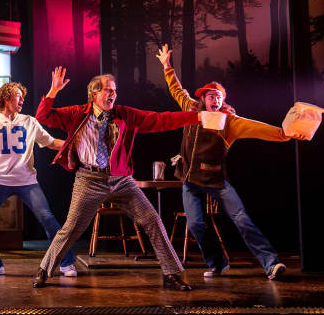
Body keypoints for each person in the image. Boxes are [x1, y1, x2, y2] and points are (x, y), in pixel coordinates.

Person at [31, 67, 202, 291]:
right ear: (94, 93)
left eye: (115, 91)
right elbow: (43, 116)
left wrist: (196, 117)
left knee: (153, 220)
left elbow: (159, 119)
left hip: (121, 180)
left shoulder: (125, 115)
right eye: (108, 90)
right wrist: (53, 91)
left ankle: (172, 274)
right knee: (71, 228)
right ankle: (44, 269)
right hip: (88, 179)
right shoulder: (77, 113)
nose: (113, 94)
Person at [156, 44, 306, 280]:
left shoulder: (230, 122)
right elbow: (177, 90)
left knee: (241, 219)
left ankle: (271, 264)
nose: (214, 100)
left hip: (216, 180)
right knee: (195, 225)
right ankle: (217, 263)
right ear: (203, 99)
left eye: (219, 97)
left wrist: (286, 134)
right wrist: (167, 67)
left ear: (223, 100)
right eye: (210, 96)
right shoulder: (191, 110)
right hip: (190, 180)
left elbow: (259, 129)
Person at [0, 82, 77, 277]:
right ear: (6, 98)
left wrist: (74, 144)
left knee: (47, 219)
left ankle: (66, 262)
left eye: (22, 96)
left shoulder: (29, 121)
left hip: (26, 180)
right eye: (18, 96)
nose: (22, 100)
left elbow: (51, 142)